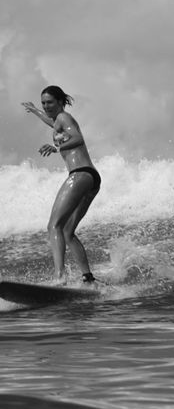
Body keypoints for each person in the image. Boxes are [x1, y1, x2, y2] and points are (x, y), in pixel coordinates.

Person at [23, 86, 100, 284]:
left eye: (49, 102)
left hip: (80, 174)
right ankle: (88, 278)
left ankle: (59, 276)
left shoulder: (64, 118)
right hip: (91, 178)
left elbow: (78, 138)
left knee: (53, 225)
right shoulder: (58, 120)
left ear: (59, 102)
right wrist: (34, 110)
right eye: (43, 103)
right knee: (67, 231)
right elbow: (50, 121)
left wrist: (57, 147)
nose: (46, 106)